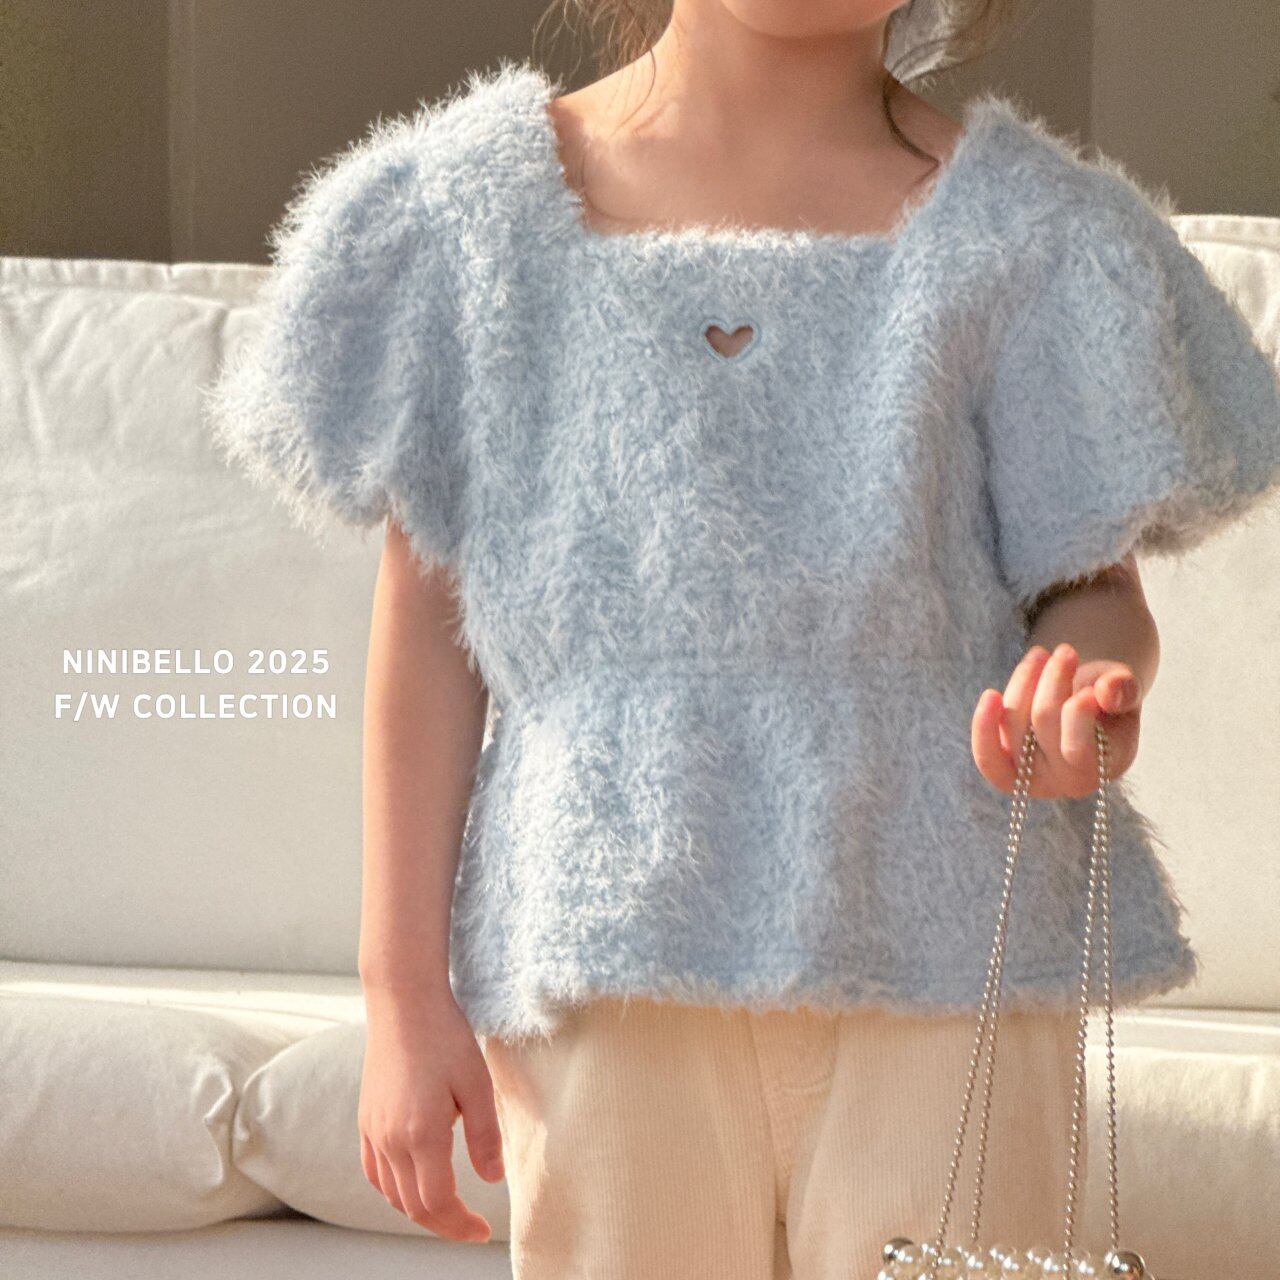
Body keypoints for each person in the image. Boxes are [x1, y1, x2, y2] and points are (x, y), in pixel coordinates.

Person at [202, 4, 1280, 1277]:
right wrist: (400, 992)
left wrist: (1086, 689)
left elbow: (1090, 590)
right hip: (601, 946)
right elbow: (430, 639)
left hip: (955, 958)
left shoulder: (1039, 234)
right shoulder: (463, 222)